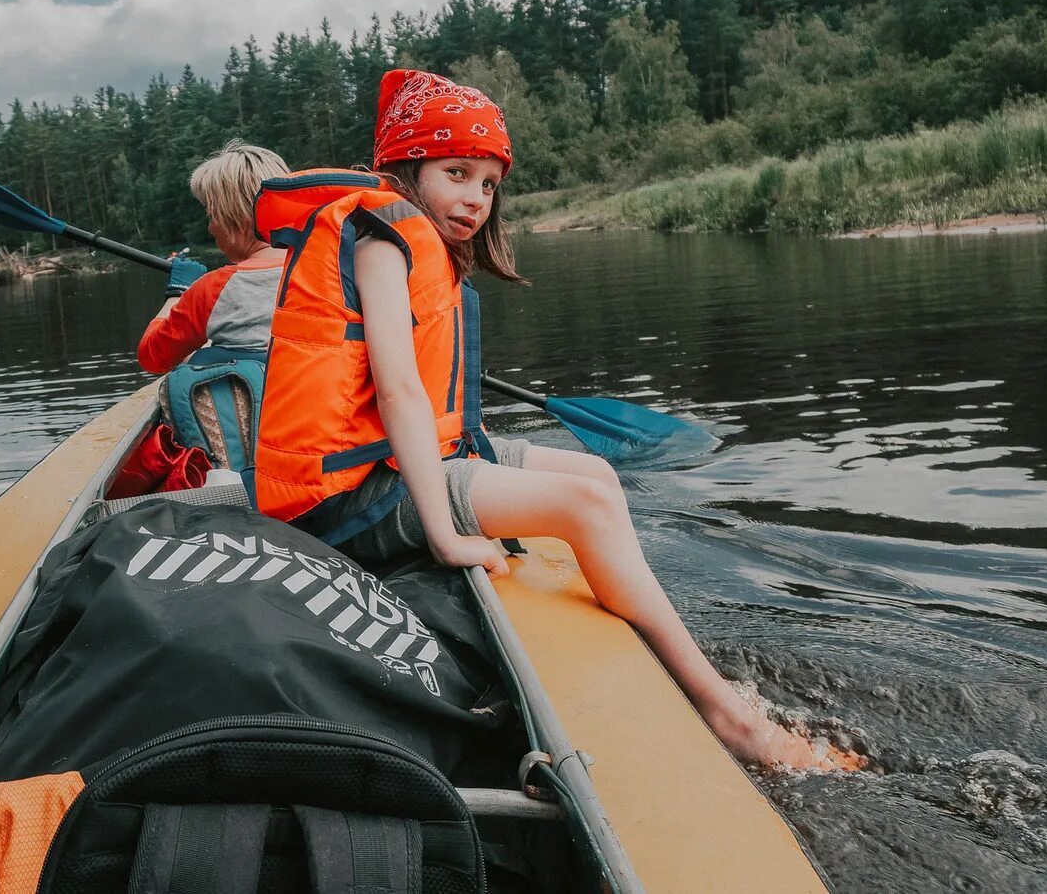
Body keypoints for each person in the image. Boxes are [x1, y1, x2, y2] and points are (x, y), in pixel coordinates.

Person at [252, 69, 856, 771]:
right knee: (583, 503)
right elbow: (399, 396)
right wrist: (446, 536)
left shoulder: (415, 236)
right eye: (456, 173)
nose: (475, 199)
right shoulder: (383, 236)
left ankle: (652, 633)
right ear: (404, 167)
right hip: (343, 498)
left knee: (595, 473)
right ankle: (725, 714)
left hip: (392, 460)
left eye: (487, 183)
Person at [136, 138, 290, 374]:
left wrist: (178, 293)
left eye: (212, 216)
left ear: (235, 218)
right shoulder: (330, 270)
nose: (210, 228)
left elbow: (152, 357)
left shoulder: (212, 290)